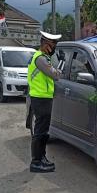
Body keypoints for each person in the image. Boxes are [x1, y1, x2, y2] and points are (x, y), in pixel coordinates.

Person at [27, 31, 62, 173]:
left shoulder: (43, 58)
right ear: (46, 44)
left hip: (43, 97)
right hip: (40, 98)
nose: (54, 47)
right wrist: (61, 62)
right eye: (53, 44)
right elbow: (55, 75)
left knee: (43, 131)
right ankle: (36, 161)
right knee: (40, 132)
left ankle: (42, 157)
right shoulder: (40, 59)